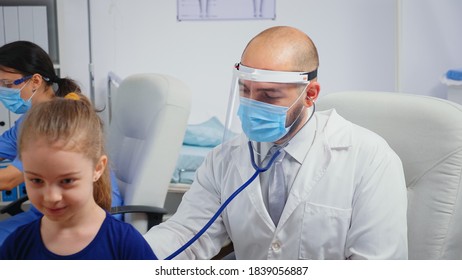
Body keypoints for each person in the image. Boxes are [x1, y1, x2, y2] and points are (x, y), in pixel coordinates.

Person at [143, 26, 408, 260]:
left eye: (269, 95)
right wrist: (127, 256)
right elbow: (187, 235)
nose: (252, 104)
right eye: (245, 91)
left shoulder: (370, 159)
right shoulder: (224, 159)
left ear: (310, 94)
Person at [0, 97, 156, 259]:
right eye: (37, 180)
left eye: (67, 181)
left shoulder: (124, 243)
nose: (51, 197)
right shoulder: (17, 245)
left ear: (98, 168)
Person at [0, 41, 122, 245]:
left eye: (7, 84)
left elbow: (7, 180)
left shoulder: (55, 124)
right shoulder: (29, 119)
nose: (3, 92)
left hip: (82, 218)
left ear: (35, 81)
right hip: (48, 211)